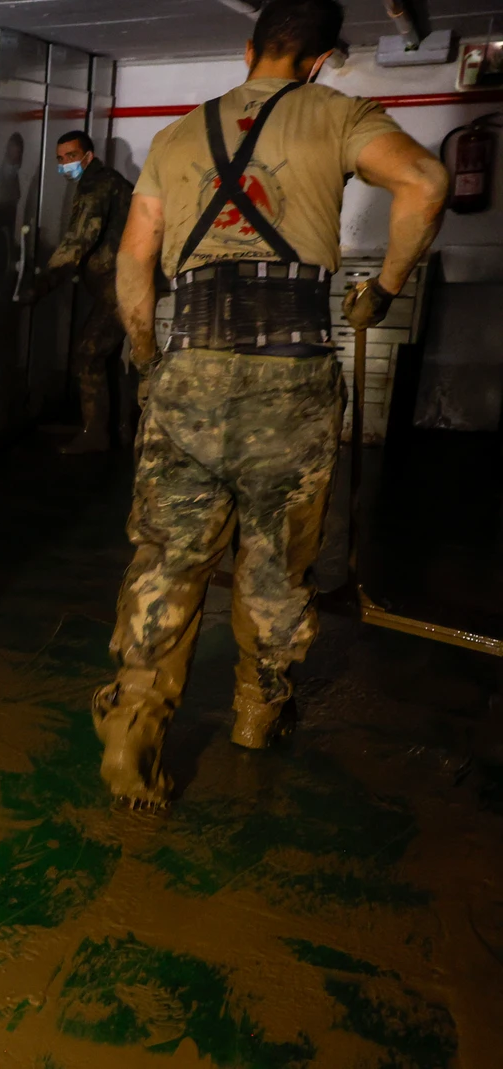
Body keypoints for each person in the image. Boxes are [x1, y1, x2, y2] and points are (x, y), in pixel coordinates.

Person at [99, 0, 448, 807]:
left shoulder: (175, 137)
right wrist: (385, 287)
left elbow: (134, 261)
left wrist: (150, 360)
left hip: (191, 363)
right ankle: (258, 714)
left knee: (168, 557)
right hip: (290, 371)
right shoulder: (339, 113)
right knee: (275, 557)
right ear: (322, 59)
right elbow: (427, 183)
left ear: (248, 48)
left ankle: (132, 733)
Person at [18, 130, 135, 454]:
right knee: (106, 356)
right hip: (121, 284)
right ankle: (119, 431)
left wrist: (42, 284)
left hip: (119, 285)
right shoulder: (107, 181)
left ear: (88, 156)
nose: (65, 164)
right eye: (60, 158)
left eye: (71, 156)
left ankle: (96, 435)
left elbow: (80, 240)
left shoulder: (97, 185)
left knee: (89, 352)